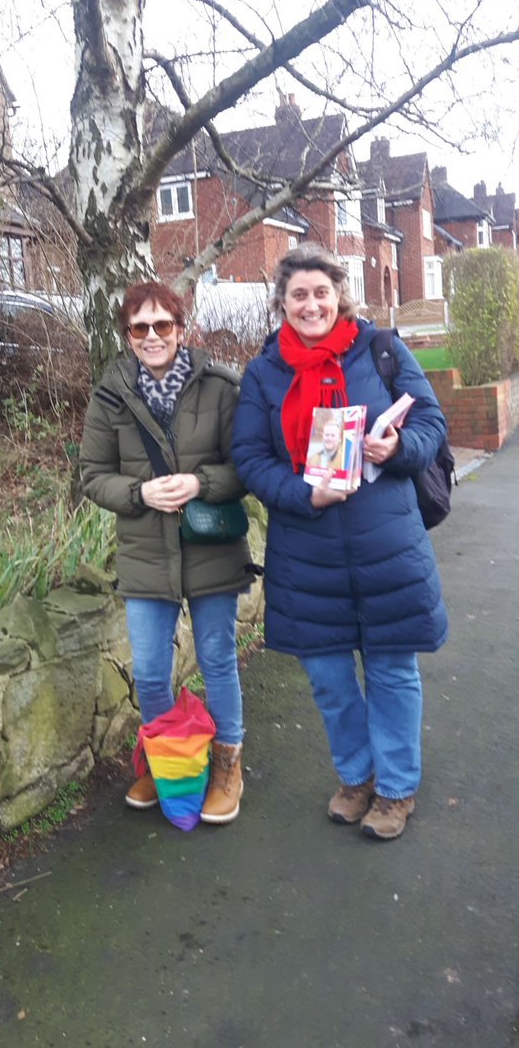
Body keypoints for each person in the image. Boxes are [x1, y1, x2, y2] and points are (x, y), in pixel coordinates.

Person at [230, 244, 448, 840]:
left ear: (338, 296)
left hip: (387, 542)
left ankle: (396, 789)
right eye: (298, 294)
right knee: (328, 677)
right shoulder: (264, 372)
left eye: (321, 292)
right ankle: (357, 777)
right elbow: (249, 457)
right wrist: (305, 494)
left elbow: (431, 422)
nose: (311, 304)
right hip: (308, 550)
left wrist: (397, 448)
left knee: (391, 669)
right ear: (281, 303)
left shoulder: (380, 349)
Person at [80, 281, 253, 824]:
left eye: (162, 325)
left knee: (217, 661)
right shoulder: (109, 396)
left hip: (210, 548)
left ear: (181, 328)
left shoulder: (220, 388)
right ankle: (168, 763)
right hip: (145, 552)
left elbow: (247, 467)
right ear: (127, 336)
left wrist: (201, 483)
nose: (152, 336)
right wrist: (139, 493)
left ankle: (227, 765)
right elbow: (92, 475)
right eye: (140, 327)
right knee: (152, 673)